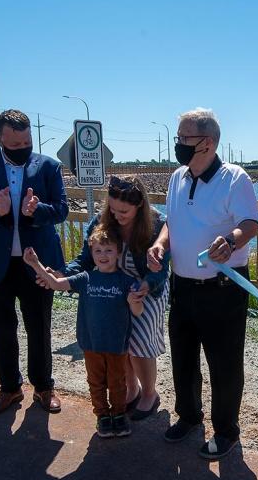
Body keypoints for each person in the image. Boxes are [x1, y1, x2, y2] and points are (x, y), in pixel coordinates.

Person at [147, 108, 258, 460]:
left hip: (223, 289)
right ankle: (190, 417)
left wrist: (232, 240)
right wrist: (160, 243)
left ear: (207, 142)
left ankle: (226, 431)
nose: (177, 144)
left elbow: (250, 223)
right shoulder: (177, 177)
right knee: (183, 358)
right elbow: (172, 222)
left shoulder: (234, 178)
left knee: (224, 365)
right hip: (182, 286)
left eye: (183, 138)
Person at [0, 109, 69, 416]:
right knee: (0, 327)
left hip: (36, 263)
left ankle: (44, 387)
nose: (22, 148)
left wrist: (39, 209)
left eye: (26, 142)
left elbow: (61, 209)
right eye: (15, 144)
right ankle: (9, 388)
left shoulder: (49, 166)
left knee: (40, 327)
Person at [56, 175, 170, 420]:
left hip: (146, 289)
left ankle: (149, 393)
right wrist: (64, 273)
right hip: (114, 288)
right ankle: (132, 389)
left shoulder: (157, 223)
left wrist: (146, 285)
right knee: (121, 344)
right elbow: (84, 259)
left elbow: (161, 269)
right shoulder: (101, 220)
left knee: (141, 345)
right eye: (113, 208)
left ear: (139, 205)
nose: (117, 215)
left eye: (124, 211)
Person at [25, 231, 145, 439]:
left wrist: (135, 300)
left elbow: (138, 312)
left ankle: (118, 414)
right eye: (98, 250)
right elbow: (56, 284)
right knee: (96, 382)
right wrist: (35, 264)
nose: (103, 255)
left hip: (117, 344)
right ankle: (102, 416)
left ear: (118, 252)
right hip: (91, 344)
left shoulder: (126, 281)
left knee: (118, 382)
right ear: (92, 253)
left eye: (109, 250)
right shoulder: (86, 277)